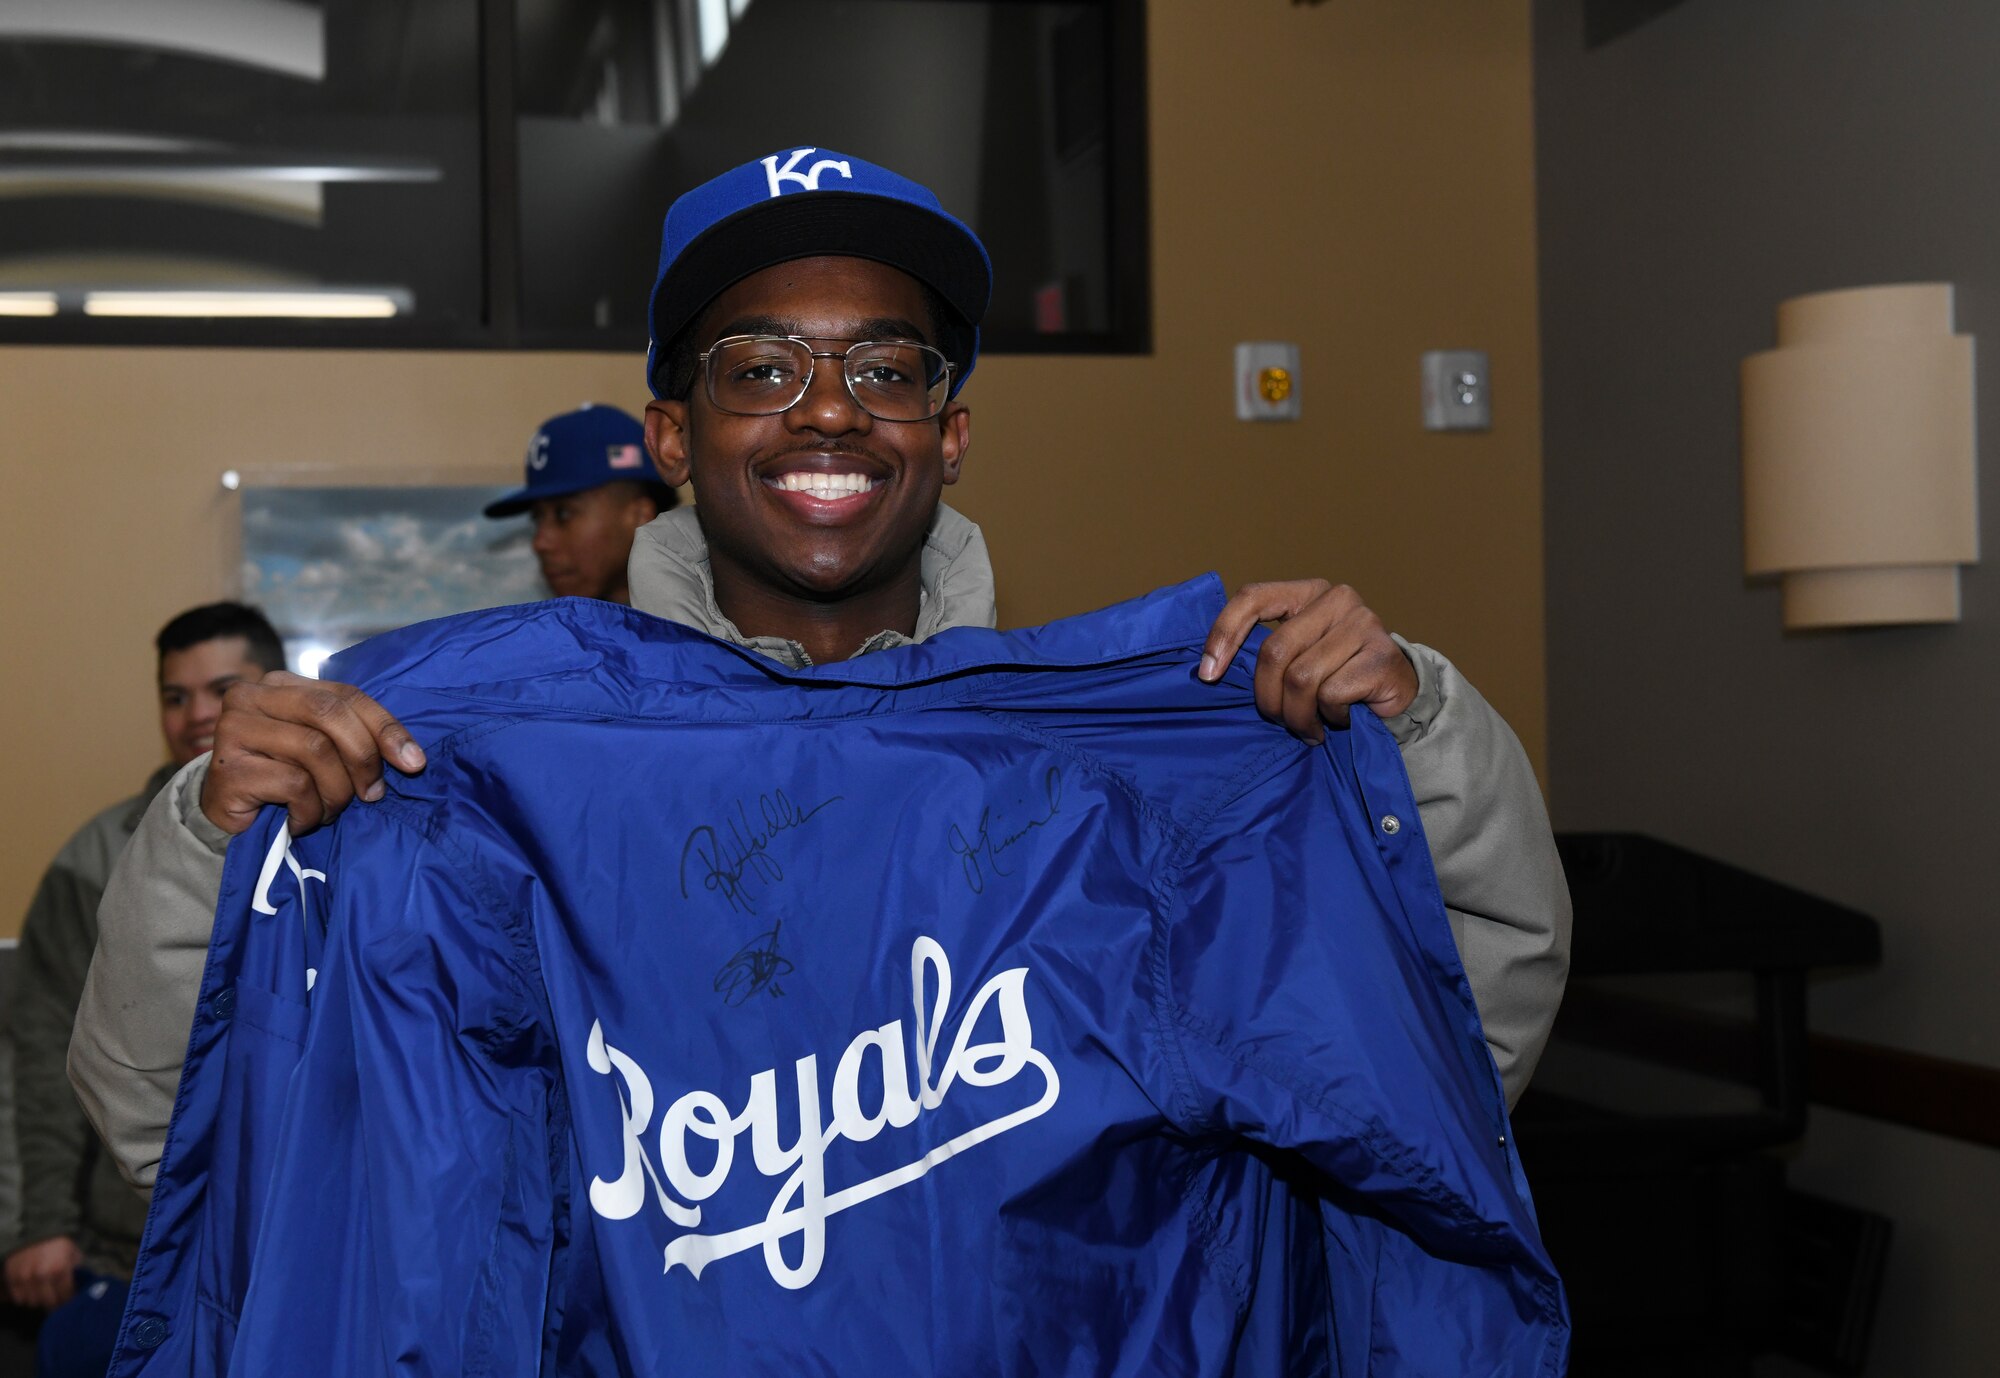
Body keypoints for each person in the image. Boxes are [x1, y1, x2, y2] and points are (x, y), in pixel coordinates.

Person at [72, 147, 1568, 1216]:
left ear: (953, 431)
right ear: (670, 435)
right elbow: (185, 1133)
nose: (833, 409)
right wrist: (213, 844)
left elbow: (1446, 1053)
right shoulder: (483, 770)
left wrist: (1413, 728)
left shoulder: (1126, 768)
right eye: (761, 365)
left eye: (890, 365)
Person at [9, 602, 282, 1376]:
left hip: (296, 1246)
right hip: (136, 1257)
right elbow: (42, 1050)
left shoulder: (344, 833)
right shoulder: (95, 858)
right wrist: (40, 1224)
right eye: (174, 696)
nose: (197, 714)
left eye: (222, 688)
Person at [486, 403, 679, 603]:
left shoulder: (703, 626)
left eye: (563, 514)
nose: (540, 543)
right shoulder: (552, 631)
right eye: (537, 518)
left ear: (640, 517)